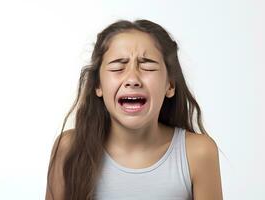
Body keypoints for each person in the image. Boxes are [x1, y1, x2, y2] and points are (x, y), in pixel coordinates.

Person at [45, 19, 223, 200]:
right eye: (118, 67)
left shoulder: (198, 152)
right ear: (98, 85)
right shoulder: (69, 148)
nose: (132, 78)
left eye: (147, 66)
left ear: (170, 85)